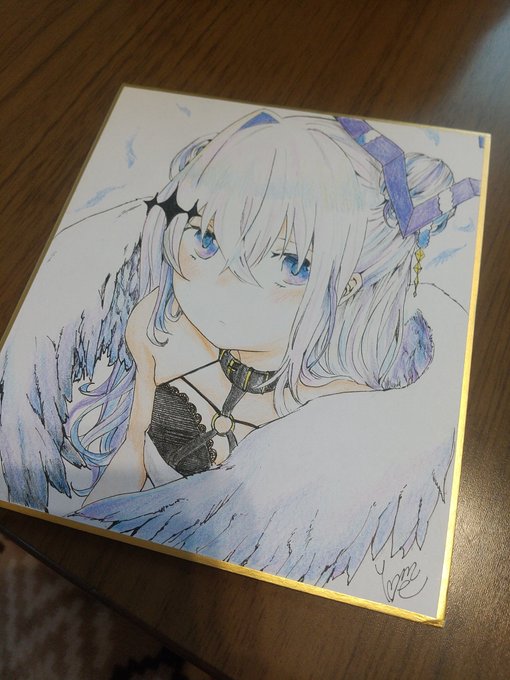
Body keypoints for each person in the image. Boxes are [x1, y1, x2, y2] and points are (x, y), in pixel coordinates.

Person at [0, 109, 479, 602]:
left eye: (292, 264)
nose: (225, 283)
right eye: (207, 237)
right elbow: (132, 450)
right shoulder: (160, 329)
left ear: (346, 286)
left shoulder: (339, 408)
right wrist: (86, 543)